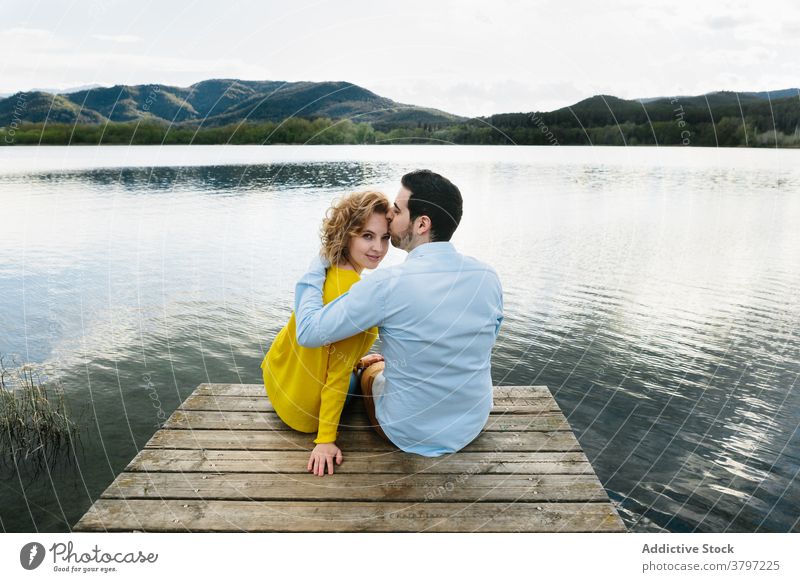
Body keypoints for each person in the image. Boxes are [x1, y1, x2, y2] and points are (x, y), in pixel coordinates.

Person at [294, 170, 503, 457]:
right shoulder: (487, 276)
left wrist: (317, 266)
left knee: (370, 370)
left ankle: (366, 370)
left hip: (407, 431)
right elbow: (484, 341)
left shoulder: (386, 284)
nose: (390, 215)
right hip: (471, 422)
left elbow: (307, 332)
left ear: (422, 224)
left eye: (398, 208)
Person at [260, 190, 390, 476]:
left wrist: (353, 357)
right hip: (302, 413)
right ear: (347, 235)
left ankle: (359, 362)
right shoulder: (358, 298)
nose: (378, 248)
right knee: (368, 376)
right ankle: (362, 369)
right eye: (367, 236)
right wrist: (325, 439)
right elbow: (336, 376)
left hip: (278, 383)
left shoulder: (325, 269)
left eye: (385, 238)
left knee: (353, 361)